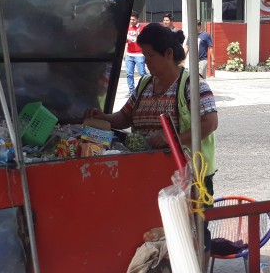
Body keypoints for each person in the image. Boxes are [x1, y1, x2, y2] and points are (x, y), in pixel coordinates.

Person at [85, 23, 218, 195]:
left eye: (150, 56)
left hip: (189, 175)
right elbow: (125, 116)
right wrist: (103, 117)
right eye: (144, 56)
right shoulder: (145, 83)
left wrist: (170, 139)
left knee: (187, 220)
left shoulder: (192, 85)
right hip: (148, 171)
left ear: (168, 54)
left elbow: (210, 123)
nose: (146, 61)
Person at [123, 13, 145, 93]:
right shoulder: (128, 27)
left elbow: (143, 39)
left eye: (133, 19)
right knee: (129, 74)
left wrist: (136, 37)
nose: (131, 21)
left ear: (137, 19)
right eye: (130, 19)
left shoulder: (142, 28)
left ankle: (145, 89)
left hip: (139, 54)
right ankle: (132, 91)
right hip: (129, 54)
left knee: (142, 73)